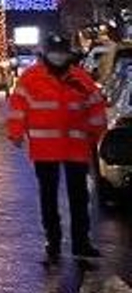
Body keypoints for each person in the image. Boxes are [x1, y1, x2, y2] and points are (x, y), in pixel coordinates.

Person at [7, 33, 108, 262]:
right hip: (46, 147)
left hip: (75, 146)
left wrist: (96, 134)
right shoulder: (32, 78)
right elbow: (18, 106)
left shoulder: (80, 79)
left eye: (62, 52)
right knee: (49, 196)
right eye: (55, 52)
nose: (58, 57)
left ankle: (81, 242)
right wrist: (15, 132)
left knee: (79, 196)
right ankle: (53, 242)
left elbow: (95, 107)